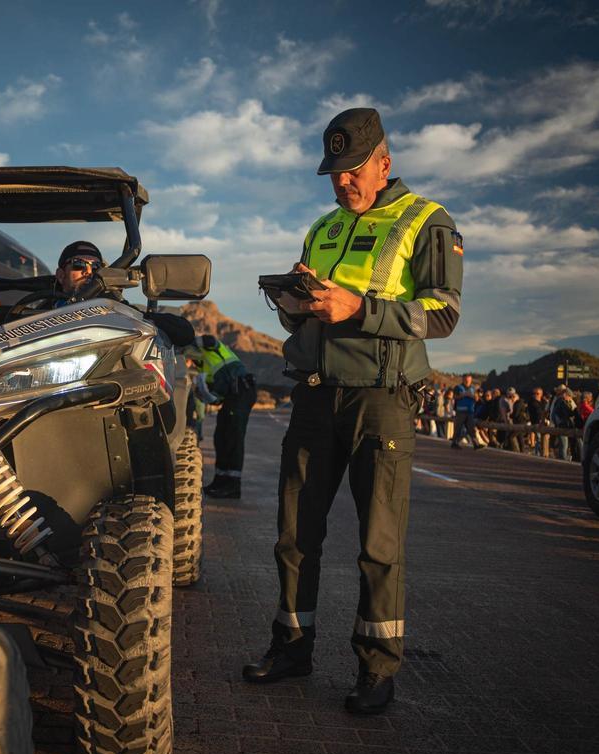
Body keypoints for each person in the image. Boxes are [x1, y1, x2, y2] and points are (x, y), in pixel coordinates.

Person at [245, 108, 463, 715]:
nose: (342, 183)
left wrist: (358, 309)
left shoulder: (427, 220)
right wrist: (295, 300)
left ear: (384, 163)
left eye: (353, 170)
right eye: (334, 173)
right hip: (315, 394)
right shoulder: (321, 228)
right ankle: (290, 649)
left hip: (381, 400)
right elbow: (316, 311)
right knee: (293, 537)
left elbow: (442, 314)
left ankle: (376, 669)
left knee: (378, 545)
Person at [191, 335, 257, 499]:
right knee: (220, 437)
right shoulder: (201, 368)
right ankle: (220, 481)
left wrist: (188, 340)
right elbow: (217, 396)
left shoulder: (210, 348)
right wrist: (205, 395)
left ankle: (233, 486)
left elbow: (210, 340)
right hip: (230, 397)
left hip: (241, 391)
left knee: (233, 438)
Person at [451, 373, 482, 450]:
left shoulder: (473, 388)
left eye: (469, 380)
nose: (467, 381)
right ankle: (455, 443)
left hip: (470, 411)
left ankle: (476, 444)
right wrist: (463, 395)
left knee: (471, 428)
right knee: (458, 428)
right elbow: (454, 397)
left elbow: (477, 399)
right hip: (460, 411)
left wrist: (471, 396)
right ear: (463, 379)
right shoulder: (458, 387)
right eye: (466, 379)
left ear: (471, 380)